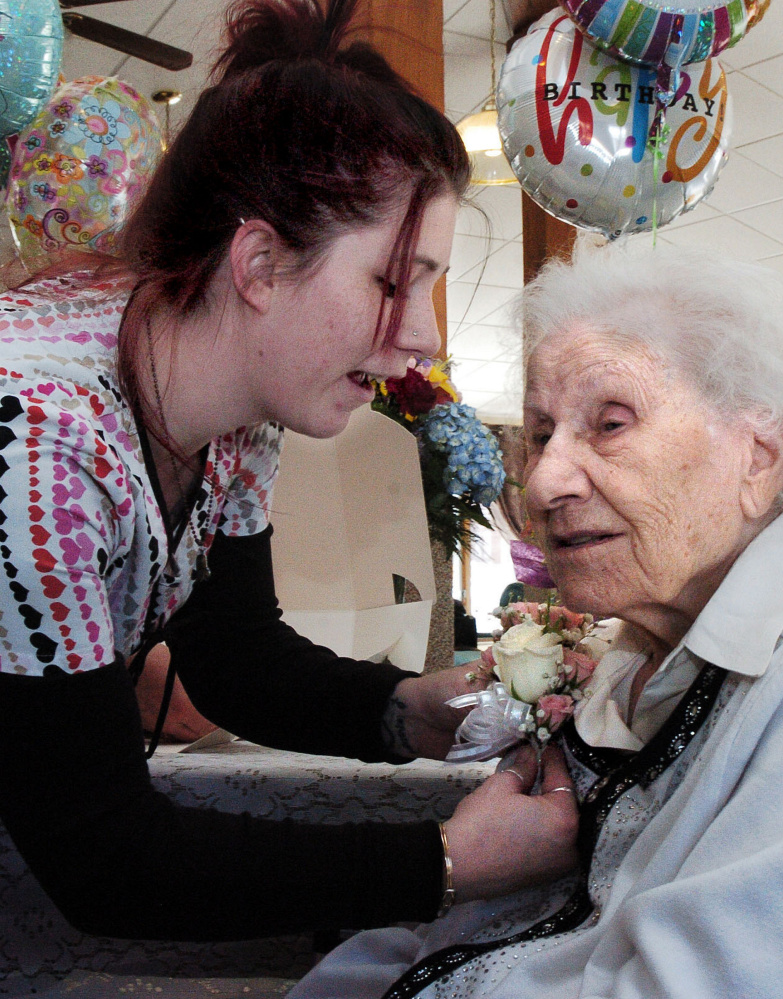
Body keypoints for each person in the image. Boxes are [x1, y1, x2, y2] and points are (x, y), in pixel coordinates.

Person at [0, 0, 578, 943]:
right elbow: (105, 859)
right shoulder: (37, 443)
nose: (423, 335)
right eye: (394, 282)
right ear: (261, 262)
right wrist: (447, 865)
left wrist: (408, 713)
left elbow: (232, 652)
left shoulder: (236, 417)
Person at [290, 244, 783, 999]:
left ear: (757, 458)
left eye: (610, 424)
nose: (543, 480)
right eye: (542, 433)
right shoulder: (640, 653)